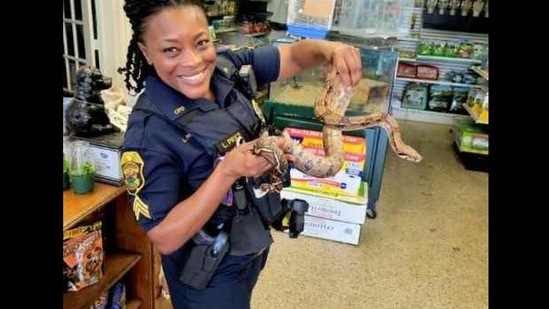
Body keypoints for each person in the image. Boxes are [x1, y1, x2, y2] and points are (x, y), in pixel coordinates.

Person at [119, 1, 362, 308]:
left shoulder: (225, 68)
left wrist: (331, 50)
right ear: (145, 52)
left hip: (253, 241)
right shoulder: (148, 133)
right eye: (171, 50)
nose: (193, 61)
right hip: (210, 270)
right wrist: (226, 172)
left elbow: (292, 56)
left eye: (201, 43)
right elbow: (164, 236)